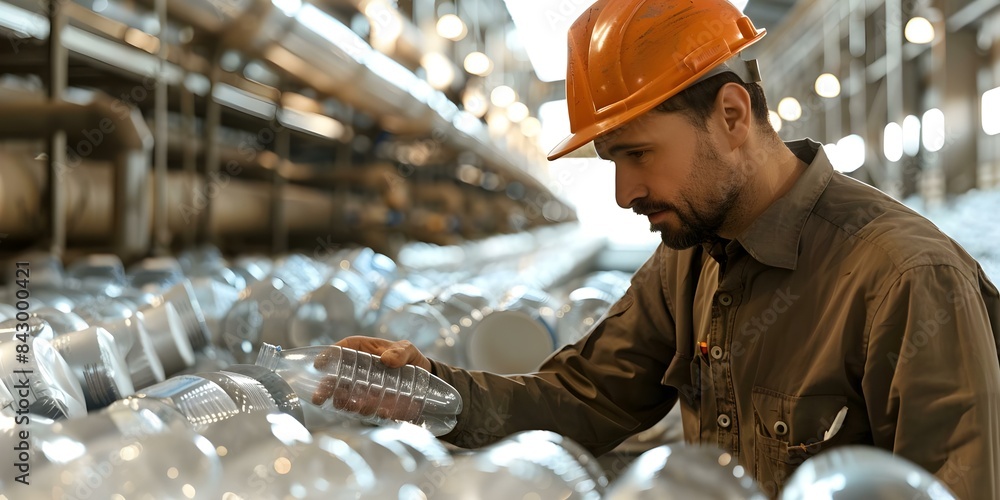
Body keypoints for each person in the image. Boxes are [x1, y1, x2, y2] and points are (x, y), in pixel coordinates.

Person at [325, 0, 1000, 497]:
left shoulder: (905, 278)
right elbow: (584, 397)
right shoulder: (690, 258)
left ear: (732, 117)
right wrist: (431, 392)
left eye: (638, 154)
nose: (624, 192)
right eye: (611, 161)